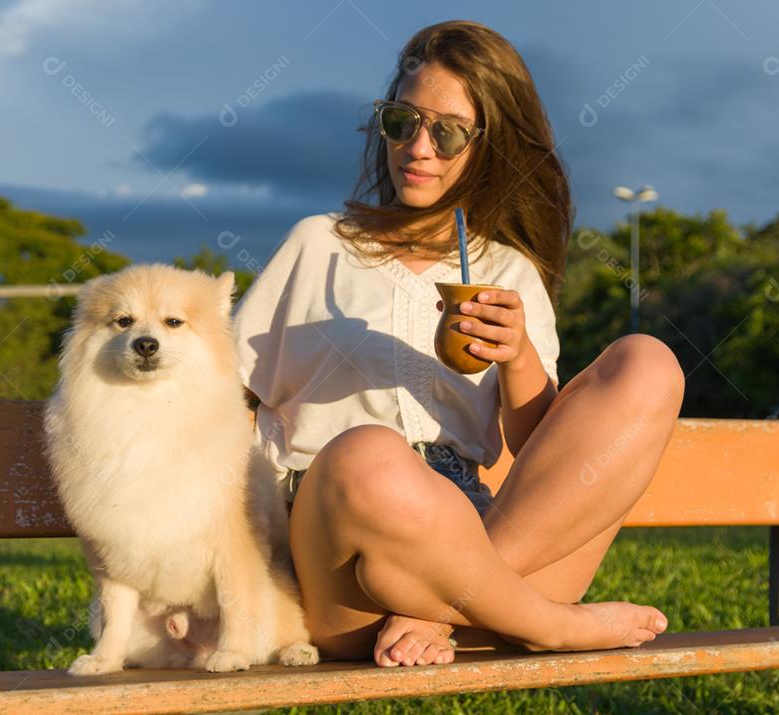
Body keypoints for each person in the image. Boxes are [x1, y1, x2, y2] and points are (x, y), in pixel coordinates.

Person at [232, 20, 684, 668]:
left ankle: (438, 612)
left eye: (446, 132)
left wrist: (520, 354)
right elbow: (221, 396)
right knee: (368, 455)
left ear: (487, 147)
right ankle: (550, 626)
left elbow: (541, 454)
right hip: (343, 558)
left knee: (648, 362)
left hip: (479, 539)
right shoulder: (319, 243)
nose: (419, 148)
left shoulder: (508, 272)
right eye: (401, 122)